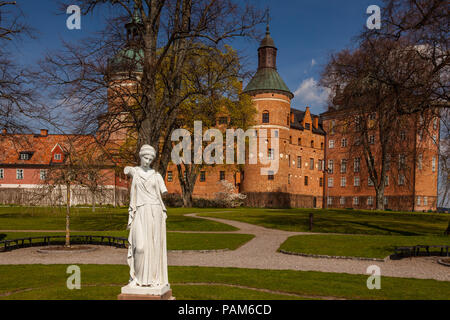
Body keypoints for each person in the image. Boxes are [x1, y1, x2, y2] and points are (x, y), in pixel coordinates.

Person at [124, 145, 169, 288]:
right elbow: (127, 169)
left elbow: (163, 191)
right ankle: (136, 278)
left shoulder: (157, 176)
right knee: (140, 247)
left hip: (155, 212)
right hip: (140, 211)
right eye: (145, 158)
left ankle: (152, 279)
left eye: (150, 159)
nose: (147, 161)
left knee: (154, 247)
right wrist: (130, 170)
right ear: (140, 156)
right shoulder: (135, 171)